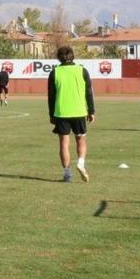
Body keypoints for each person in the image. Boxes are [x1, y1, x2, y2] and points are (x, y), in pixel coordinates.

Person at [47, 46, 95, 183]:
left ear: (59, 58)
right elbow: (89, 92)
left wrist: (51, 114)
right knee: (81, 140)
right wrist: (91, 111)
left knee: (64, 143)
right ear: (72, 56)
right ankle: (80, 163)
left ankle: (67, 173)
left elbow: (51, 96)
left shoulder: (54, 72)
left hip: (61, 112)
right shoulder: (82, 70)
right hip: (79, 111)